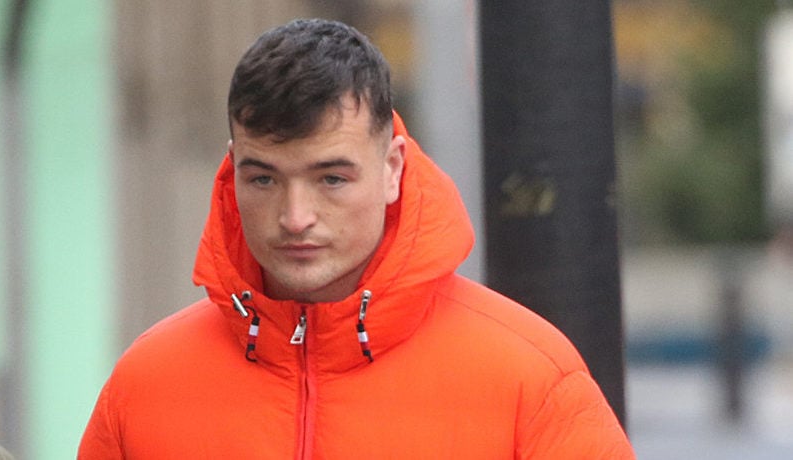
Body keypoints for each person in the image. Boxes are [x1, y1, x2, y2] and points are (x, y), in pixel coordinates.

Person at [79, 18, 635, 459]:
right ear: (233, 169)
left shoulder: (529, 380)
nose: (295, 217)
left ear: (392, 168)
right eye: (264, 179)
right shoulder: (145, 387)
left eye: (332, 179)